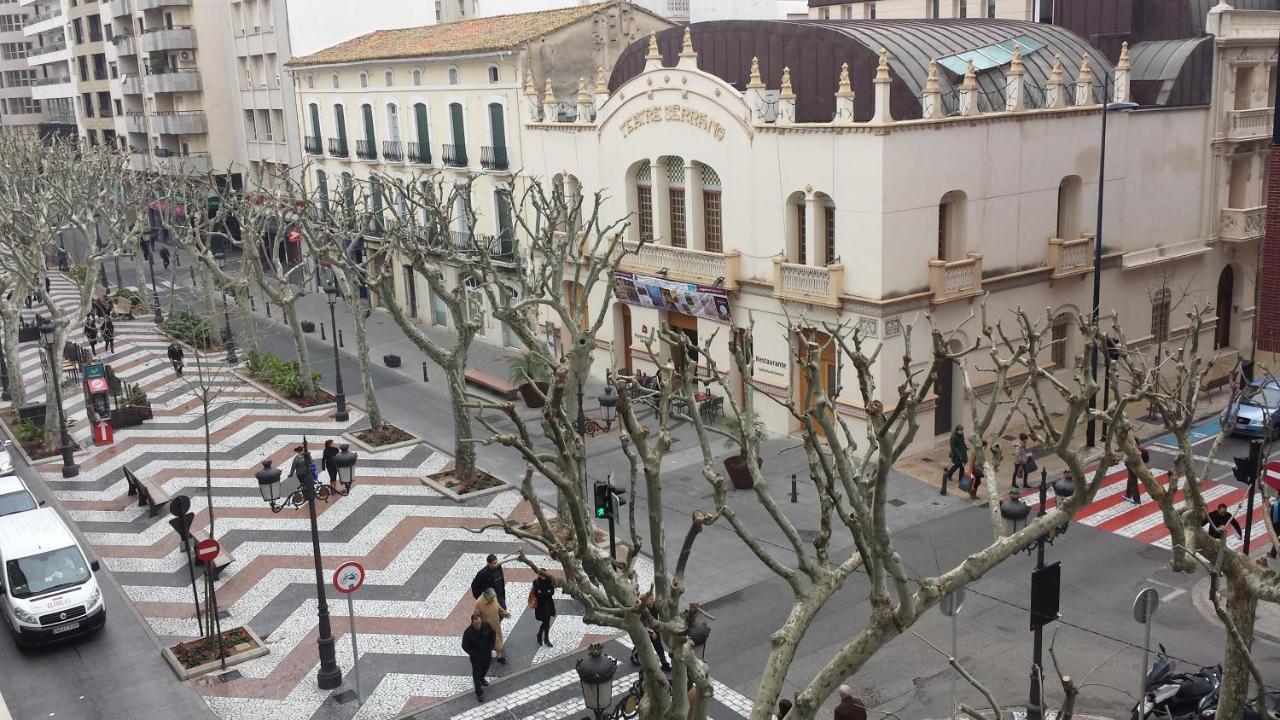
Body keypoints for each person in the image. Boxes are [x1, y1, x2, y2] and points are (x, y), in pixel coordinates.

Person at [461, 613, 495, 700]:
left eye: (479, 622)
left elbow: (493, 635)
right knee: (476, 674)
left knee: (485, 668)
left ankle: (482, 678)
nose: (478, 625)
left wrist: (491, 647)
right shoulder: (468, 633)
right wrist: (473, 654)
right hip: (476, 657)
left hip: (486, 654)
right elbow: (465, 646)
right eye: (476, 624)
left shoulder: (486, 626)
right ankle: (479, 692)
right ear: (472, 622)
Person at [474, 588, 510, 664]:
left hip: (496, 625)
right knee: (487, 643)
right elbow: (476, 616)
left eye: (493, 598)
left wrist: (505, 613)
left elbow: (499, 609)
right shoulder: (479, 603)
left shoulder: (494, 599)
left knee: (498, 641)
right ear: (486, 597)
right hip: (486, 628)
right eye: (491, 598)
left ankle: (499, 656)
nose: (493, 599)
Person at [531, 571, 557, 647]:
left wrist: (543, 593)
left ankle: (544, 637)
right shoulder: (536, 582)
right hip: (541, 606)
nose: (543, 577)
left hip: (548, 604)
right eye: (542, 575)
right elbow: (537, 594)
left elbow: (552, 592)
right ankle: (543, 637)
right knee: (545, 622)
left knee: (547, 622)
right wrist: (546, 593)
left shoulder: (549, 581)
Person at [941, 425, 967, 496]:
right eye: (960, 430)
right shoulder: (953, 437)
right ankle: (949, 474)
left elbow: (962, 442)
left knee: (962, 467)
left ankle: (960, 479)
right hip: (957, 455)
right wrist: (958, 454)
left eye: (962, 430)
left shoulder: (961, 435)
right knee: (957, 465)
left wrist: (965, 448)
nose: (961, 431)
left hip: (963, 453)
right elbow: (953, 447)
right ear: (957, 430)